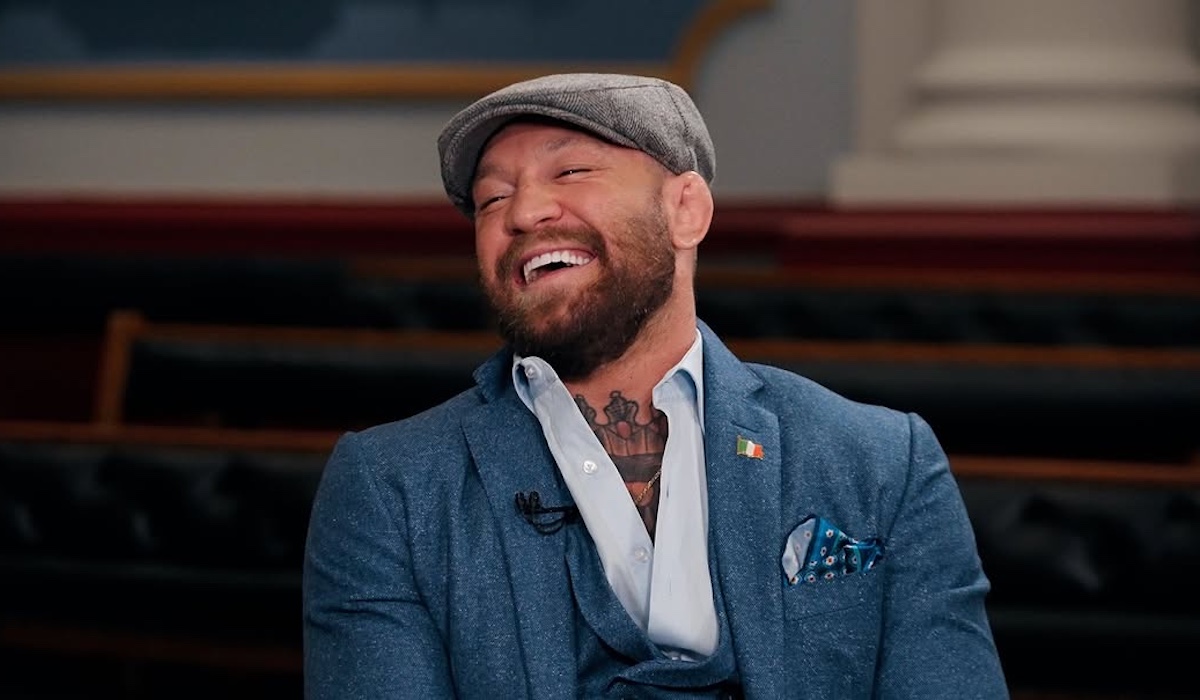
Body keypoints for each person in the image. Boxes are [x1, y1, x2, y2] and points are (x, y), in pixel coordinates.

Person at [303, 73, 1008, 699]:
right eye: (492, 199)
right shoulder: (390, 487)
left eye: (571, 171)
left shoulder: (884, 462)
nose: (522, 213)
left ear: (686, 211)